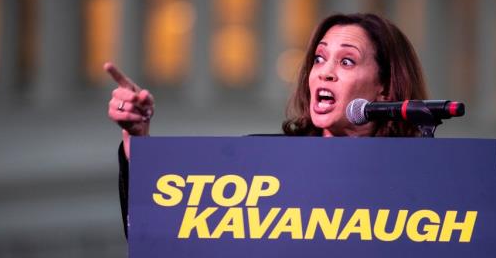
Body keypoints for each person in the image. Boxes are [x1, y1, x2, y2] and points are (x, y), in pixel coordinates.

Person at [105, 12, 429, 236]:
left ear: (384, 87)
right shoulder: (258, 164)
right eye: (319, 58)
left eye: (346, 61)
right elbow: (164, 225)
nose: (324, 72)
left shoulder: (418, 179)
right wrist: (137, 137)